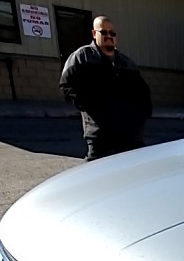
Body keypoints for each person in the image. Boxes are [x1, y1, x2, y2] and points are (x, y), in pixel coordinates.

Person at [59, 16, 153, 161]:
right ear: (94, 33)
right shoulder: (82, 57)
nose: (109, 36)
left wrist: (140, 116)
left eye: (112, 33)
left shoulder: (127, 63)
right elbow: (67, 84)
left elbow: (143, 93)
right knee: (98, 171)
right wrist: (90, 106)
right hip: (100, 134)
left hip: (130, 135)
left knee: (133, 170)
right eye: (104, 32)